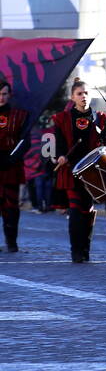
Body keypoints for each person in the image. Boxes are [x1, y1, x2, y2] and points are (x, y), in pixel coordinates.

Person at [52, 80, 106, 262]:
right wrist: (61, 155)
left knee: (87, 210)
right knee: (76, 210)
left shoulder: (100, 118)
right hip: (72, 170)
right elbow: (59, 143)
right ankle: (76, 251)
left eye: (85, 93)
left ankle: (85, 248)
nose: (83, 96)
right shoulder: (63, 118)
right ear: (72, 97)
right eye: (79, 94)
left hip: (93, 171)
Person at [0, 78, 30, 252]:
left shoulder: (20, 115)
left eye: (4, 94)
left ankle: (11, 242)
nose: (1, 98)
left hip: (11, 164)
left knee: (11, 206)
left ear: (9, 95)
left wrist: (12, 158)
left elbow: (25, 141)